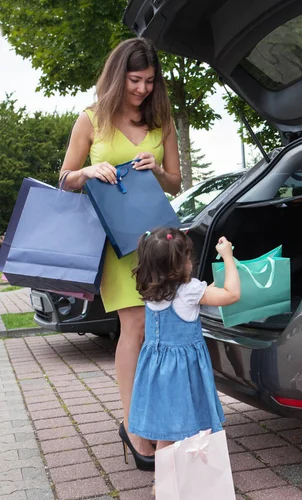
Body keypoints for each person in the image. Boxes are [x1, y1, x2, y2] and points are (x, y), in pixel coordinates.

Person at [59, 38, 181, 470]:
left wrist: (158, 170)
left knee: (156, 332)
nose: (143, 88)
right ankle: (134, 427)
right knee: (135, 328)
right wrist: (88, 170)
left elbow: (176, 183)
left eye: (149, 81)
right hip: (115, 245)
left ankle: (146, 418)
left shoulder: (161, 120)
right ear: (117, 76)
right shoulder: (92, 120)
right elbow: (65, 178)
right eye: (134, 79)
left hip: (157, 246)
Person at [127, 228, 240, 452]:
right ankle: (188, 479)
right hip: (182, 373)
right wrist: (228, 256)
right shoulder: (190, 291)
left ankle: (164, 483)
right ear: (181, 264)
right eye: (187, 256)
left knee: (165, 432)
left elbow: (191, 298)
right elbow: (232, 294)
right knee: (188, 425)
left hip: (156, 372)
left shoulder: (151, 291)